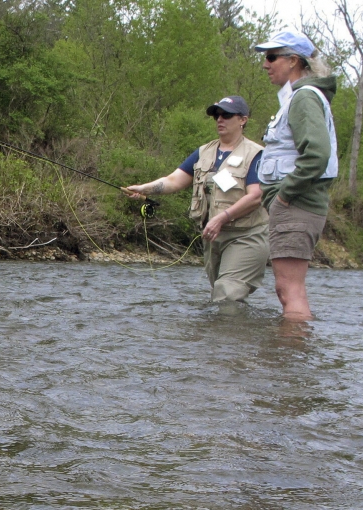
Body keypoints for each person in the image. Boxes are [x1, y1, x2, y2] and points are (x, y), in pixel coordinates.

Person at [124, 96, 267, 302]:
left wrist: (221, 218)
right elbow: (174, 181)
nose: (220, 119)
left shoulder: (256, 154)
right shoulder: (203, 152)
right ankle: (234, 334)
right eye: (216, 115)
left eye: (226, 115)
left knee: (226, 293)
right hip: (213, 237)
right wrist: (144, 188)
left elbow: (256, 196)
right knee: (223, 295)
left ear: (243, 119)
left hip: (247, 235)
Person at [253, 31, 339, 321]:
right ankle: (292, 361)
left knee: (289, 291)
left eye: (271, 56)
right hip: (296, 206)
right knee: (287, 290)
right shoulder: (300, 97)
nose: (265, 64)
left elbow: (317, 154)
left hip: (297, 205)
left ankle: (290, 360)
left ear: (293, 60)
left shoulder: (303, 98)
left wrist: (284, 197)